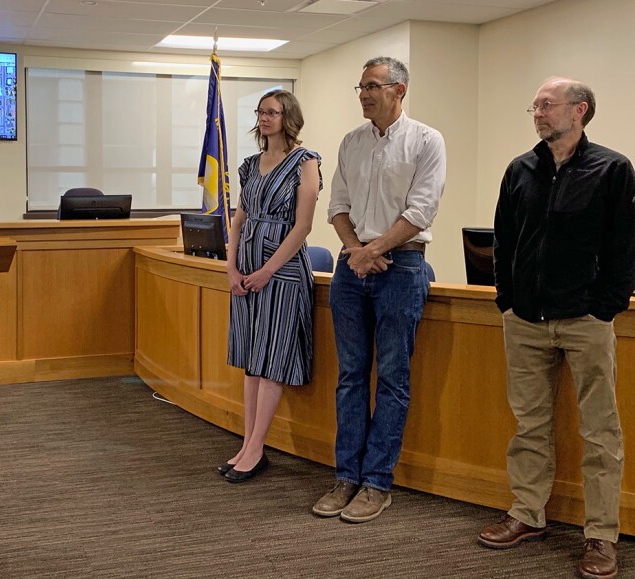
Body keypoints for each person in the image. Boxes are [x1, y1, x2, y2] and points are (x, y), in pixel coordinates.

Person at [478, 77, 635, 579]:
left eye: (547, 105)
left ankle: (601, 536)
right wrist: (507, 298)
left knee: (600, 432)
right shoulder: (520, 169)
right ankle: (527, 515)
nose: (538, 113)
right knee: (530, 426)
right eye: (536, 106)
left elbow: (624, 247)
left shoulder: (612, 169)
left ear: (579, 111)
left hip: (585, 320)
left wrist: (605, 306)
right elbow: (501, 239)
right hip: (525, 320)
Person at [312, 56, 445, 521]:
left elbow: (421, 211)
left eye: (373, 86)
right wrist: (356, 250)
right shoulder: (351, 143)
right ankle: (345, 476)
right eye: (361, 87)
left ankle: (376, 484)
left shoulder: (427, 141)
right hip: (353, 269)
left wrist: (375, 250)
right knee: (350, 377)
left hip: (401, 267)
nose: (365, 94)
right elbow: (338, 206)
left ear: (399, 90)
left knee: (391, 379)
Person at [221, 89, 322, 483]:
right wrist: (231, 269)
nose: (264, 118)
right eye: (261, 112)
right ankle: (247, 445)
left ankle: (258, 447)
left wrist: (267, 270)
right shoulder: (249, 165)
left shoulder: (305, 162)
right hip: (246, 270)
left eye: (273, 112)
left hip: (282, 272)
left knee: (271, 361)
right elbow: (237, 220)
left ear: (288, 117)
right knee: (250, 361)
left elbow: (303, 226)